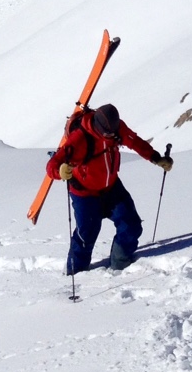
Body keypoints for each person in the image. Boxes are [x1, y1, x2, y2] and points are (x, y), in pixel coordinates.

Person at [47, 102, 173, 273]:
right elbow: (53, 165)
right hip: (85, 193)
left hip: (111, 187)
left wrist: (155, 158)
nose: (112, 136)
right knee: (87, 234)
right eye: (108, 133)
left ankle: (120, 265)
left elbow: (134, 142)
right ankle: (74, 272)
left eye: (114, 132)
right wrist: (60, 171)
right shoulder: (80, 139)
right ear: (98, 127)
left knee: (131, 224)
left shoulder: (116, 129)